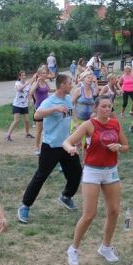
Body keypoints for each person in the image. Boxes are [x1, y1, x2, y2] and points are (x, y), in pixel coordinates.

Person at [62, 96, 129, 265]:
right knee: (89, 214)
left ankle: (105, 247)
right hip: (92, 171)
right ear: (96, 108)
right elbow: (67, 142)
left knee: (114, 210)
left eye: (109, 106)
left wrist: (119, 147)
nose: (107, 109)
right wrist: (71, 148)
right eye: (103, 106)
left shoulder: (116, 124)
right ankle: (73, 249)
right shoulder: (89, 125)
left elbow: (126, 146)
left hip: (111, 171)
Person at [17, 74, 83, 223]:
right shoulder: (49, 101)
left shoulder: (68, 99)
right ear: (62, 85)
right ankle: (25, 206)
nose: (72, 85)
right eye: (69, 83)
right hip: (51, 146)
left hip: (67, 145)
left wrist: (76, 131)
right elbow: (36, 115)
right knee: (41, 176)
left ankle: (66, 197)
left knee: (76, 173)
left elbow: (71, 115)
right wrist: (54, 109)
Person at [29, 66, 54, 156]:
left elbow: (49, 90)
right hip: (39, 109)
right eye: (43, 73)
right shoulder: (37, 83)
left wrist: (58, 89)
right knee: (39, 130)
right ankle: (36, 148)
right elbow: (31, 92)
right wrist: (36, 82)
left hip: (47, 108)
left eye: (45, 73)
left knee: (49, 128)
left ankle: (48, 146)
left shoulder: (45, 82)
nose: (45, 75)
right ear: (39, 74)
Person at [5, 70, 34, 142]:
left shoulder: (28, 85)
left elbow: (29, 94)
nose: (24, 76)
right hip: (17, 105)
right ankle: (8, 135)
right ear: (19, 77)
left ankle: (27, 133)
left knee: (27, 120)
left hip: (24, 105)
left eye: (25, 75)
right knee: (16, 121)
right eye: (22, 75)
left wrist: (30, 102)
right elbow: (19, 89)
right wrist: (26, 84)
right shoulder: (17, 83)